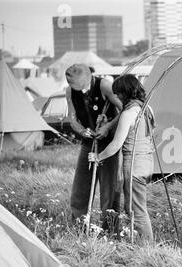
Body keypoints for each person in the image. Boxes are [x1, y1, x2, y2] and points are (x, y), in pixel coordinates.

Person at [88, 74, 155, 243]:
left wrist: (97, 157)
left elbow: (116, 144)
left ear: (125, 92)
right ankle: (143, 246)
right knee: (137, 208)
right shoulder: (146, 108)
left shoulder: (128, 114)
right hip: (147, 163)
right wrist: (108, 123)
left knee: (136, 211)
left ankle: (148, 249)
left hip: (134, 165)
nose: (116, 97)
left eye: (118, 93)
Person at [65, 64, 123, 229]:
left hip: (108, 144)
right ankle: (80, 226)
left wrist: (107, 127)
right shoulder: (69, 91)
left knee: (109, 189)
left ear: (89, 77)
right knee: (80, 189)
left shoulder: (104, 85)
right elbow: (72, 118)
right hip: (88, 144)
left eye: (83, 87)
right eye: (77, 88)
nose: (82, 91)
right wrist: (82, 131)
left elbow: (123, 110)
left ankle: (110, 229)